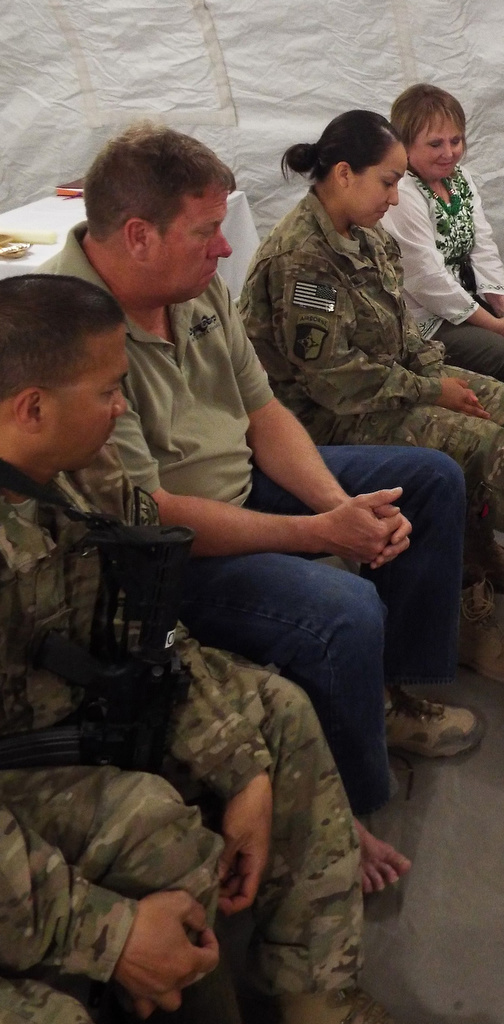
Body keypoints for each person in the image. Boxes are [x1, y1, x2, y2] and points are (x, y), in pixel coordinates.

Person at [43, 121, 478, 895]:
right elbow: (150, 516)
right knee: (342, 611)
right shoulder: (71, 335)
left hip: (239, 485)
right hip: (163, 557)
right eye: (207, 231)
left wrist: (344, 507)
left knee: (430, 481)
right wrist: (318, 532)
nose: (223, 249)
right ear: (139, 235)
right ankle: (341, 814)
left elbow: (262, 410)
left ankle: (391, 696)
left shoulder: (192, 285)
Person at [0, 272, 394, 1024]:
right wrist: (105, 935)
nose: (122, 410)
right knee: (150, 824)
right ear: (32, 408)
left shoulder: (85, 474)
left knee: (278, 711)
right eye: (109, 392)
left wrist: (238, 765)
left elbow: (148, 627)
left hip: (75, 714)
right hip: (23, 759)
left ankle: (313, 990)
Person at [240, 109, 504, 684]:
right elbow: (335, 382)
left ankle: (478, 549)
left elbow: (398, 329)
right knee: (473, 445)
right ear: (342, 174)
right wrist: (434, 391)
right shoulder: (303, 262)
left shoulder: (363, 233)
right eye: (388, 181)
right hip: (317, 422)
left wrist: (440, 377)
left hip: (374, 388)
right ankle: (471, 613)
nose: (396, 194)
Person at [383, 83, 504, 392]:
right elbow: (427, 280)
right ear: (404, 144)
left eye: (455, 140)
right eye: (435, 144)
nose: (449, 152)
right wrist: (496, 326)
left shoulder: (461, 179)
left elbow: (483, 248)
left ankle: (497, 421)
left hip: (464, 300)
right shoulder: (402, 192)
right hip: (423, 318)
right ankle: (482, 422)